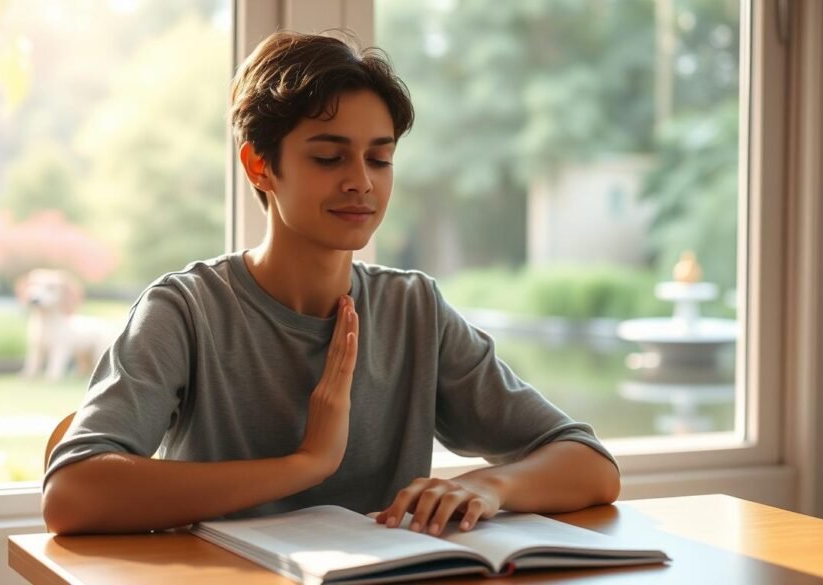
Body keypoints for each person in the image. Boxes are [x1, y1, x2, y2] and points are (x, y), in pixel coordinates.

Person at [41, 30, 620, 537]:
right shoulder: (187, 310)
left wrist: (492, 487)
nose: (361, 183)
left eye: (380, 158)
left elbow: (590, 464)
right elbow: (72, 493)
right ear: (259, 166)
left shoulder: (413, 309)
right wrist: (307, 462)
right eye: (329, 158)